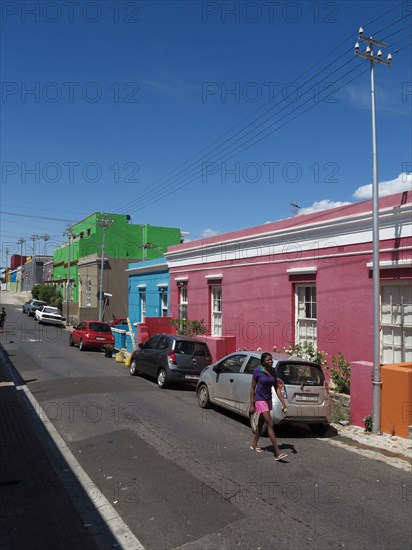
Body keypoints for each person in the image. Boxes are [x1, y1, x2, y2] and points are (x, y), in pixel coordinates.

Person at [249, 352, 288, 461]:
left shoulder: (273, 372)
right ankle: (277, 453)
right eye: (268, 360)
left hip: (268, 400)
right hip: (260, 400)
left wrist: (283, 402)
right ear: (263, 362)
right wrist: (251, 404)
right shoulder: (258, 371)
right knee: (270, 423)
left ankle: (254, 444)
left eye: (271, 359)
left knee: (261, 423)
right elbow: (252, 388)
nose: (271, 361)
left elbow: (277, 388)